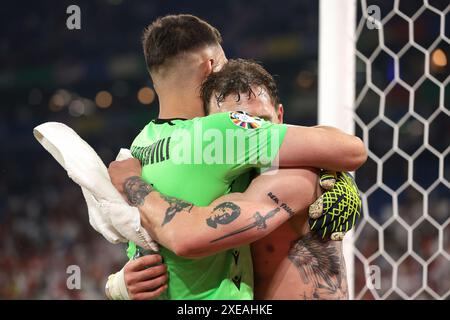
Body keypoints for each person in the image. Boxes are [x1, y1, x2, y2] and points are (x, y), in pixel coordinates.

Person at [106, 14, 366, 300]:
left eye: (263, 121)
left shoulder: (140, 145)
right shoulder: (223, 130)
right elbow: (351, 149)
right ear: (211, 65)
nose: (255, 127)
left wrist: (118, 286)